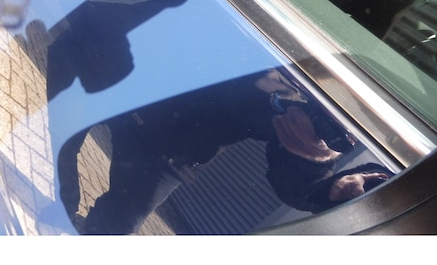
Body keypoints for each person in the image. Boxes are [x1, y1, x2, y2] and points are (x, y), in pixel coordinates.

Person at [57, 68, 392, 234]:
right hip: (123, 76)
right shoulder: (271, 20)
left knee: (111, 229)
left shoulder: (317, 111)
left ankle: (69, 217)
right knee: (60, 136)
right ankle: (63, 202)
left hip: (168, 152)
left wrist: (318, 168)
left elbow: (300, 187)